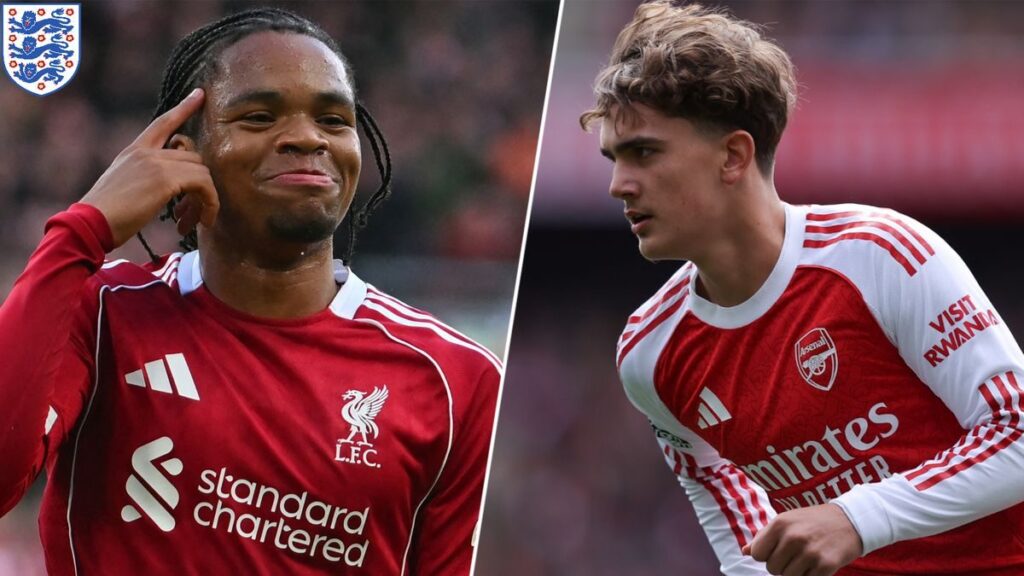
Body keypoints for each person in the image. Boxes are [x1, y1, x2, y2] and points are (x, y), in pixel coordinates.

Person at [0, 8, 501, 575]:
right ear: (183, 154)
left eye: (334, 120)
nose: (307, 137)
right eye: (260, 116)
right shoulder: (102, 313)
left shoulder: (457, 380)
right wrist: (82, 230)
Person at [581, 2, 1024, 575]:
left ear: (733, 156)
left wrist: (858, 517)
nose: (619, 185)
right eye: (614, 158)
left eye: (644, 152)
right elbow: (722, 500)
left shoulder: (880, 255)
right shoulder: (649, 352)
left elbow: (1016, 433)